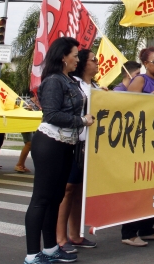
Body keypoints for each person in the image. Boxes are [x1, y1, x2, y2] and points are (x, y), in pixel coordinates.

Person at [24, 37, 94, 264]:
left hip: (66, 145)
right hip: (50, 143)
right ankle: (33, 254)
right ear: (63, 57)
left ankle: (51, 248)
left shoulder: (70, 81)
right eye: (74, 55)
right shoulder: (54, 81)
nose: (77, 60)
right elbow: (52, 114)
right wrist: (81, 121)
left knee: (55, 198)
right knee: (41, 199)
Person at [120, 47, 154, 246]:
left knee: (153, 189)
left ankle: (147, 228)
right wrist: (149, 97)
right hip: (141, 143)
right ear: (145, 63)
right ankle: (129, 233)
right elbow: (129, 107)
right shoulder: (140, 80)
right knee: (138, 191)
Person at [56, 49, 102, 252]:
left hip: (90, 146)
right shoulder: (74, 84)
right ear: (84, 63)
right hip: (74, 143)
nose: (97, 63)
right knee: (67, 190)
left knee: (79, 192)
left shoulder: (97, 87)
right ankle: (60, 237)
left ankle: (75, 235)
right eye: (93, 60)